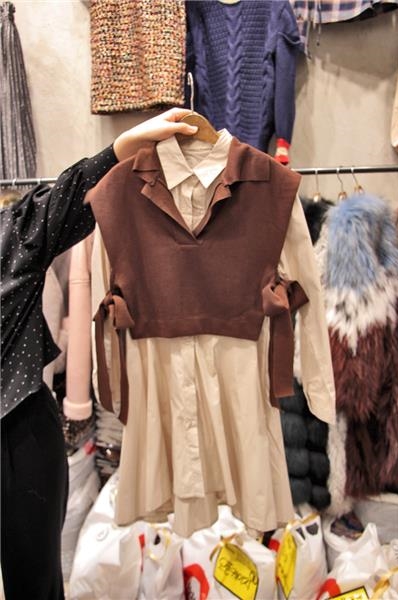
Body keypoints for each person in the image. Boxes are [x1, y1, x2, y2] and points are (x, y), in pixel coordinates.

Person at [0, 108, 197, 600]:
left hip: (21, 434)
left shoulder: (10, 236)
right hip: (24, 430)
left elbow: (70, 198)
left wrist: (124, 145)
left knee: (36, 582)